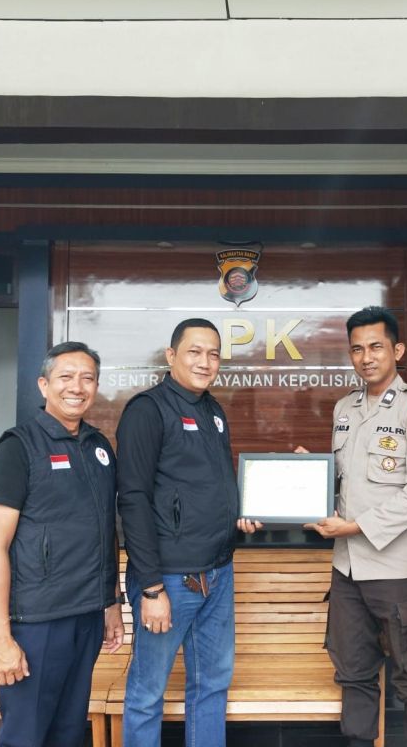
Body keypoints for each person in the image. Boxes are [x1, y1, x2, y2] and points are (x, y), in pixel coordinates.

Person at [303, 306, 407, 747]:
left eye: (376, 347)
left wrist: (353, 528)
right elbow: (346, 484)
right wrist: (308, 478)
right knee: (353, 673)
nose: (366, 357)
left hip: (396, 569)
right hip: (347, 569)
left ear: (397, 350)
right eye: (357, 349)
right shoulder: (344, 408)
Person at [0, 340, 124, 747]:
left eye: (87, 378)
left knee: (68, 732)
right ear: (44, 385)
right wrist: (1, 637)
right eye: (66, 377)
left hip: (87, 616)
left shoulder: (99, 447)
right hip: (37, 622)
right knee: (25, 736)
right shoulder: (17, 447)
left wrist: (111, 602)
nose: (77, 387)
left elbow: (105, 530)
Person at [117, 318, 254, 746]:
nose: (205, 362)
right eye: (194, 352)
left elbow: (210, 487)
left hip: (218, 573)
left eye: (213, 354)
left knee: (212, 685)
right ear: (171, 355)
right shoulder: (147, 410)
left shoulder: (213, 410)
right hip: (170, 579)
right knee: (147, 693)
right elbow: (133, 499)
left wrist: (241, 513)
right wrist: (151, 587)